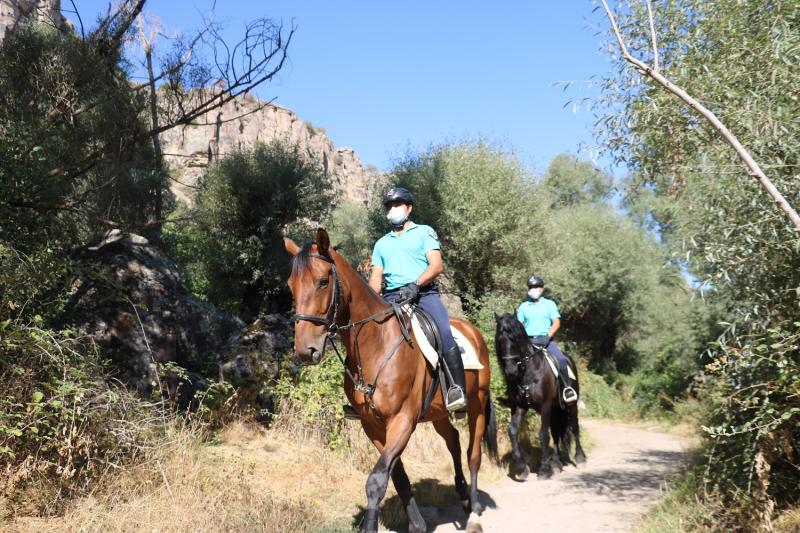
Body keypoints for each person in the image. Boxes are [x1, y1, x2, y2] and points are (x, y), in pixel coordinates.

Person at [368, 186, 467, 414]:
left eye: (397, 205)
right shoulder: (381, 243)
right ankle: (361, 395)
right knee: (367, 333)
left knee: (442, 330)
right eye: (390, 206)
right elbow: (376, 279)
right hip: (392, 297)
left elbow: (436, 265)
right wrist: (371, 301)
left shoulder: (424, 232)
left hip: (423, 294)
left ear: (409, 208)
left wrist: (415, 285)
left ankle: (457, 390)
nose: (393, 210)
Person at [516, 275, 578, 404]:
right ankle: (513, 392)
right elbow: (519, 325)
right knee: (514, 362)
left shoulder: (549, 304)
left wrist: (548, 336)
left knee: (561, 359)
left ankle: (567, 388)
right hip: (529, 342)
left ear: (542, 289)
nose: (533, 289)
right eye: (531, 287)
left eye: (536, 287)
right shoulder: (523, 306)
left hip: (547, 341)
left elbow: (556, 322)